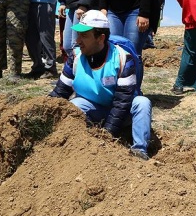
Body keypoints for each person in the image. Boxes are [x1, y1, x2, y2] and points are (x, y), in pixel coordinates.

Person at [49, 10, 152, 160]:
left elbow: (122, 103)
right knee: (74, 105)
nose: (78, 41)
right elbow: (60, 92)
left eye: (84, 36)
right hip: (94, 109)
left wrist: (107, 135)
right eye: (78, 35)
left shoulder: (123, 58)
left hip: (123, 112)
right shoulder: (75, 56)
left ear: (100, 38)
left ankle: (139, 150)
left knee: (142, 103)